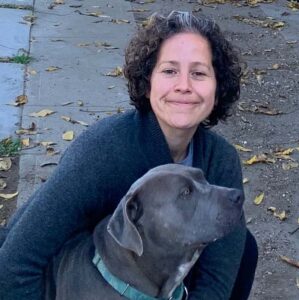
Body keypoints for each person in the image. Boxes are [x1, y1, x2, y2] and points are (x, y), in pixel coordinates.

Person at [0, 11, 257, 300]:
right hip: (60, 283)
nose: (184, 85)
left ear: (217, 87)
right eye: (170, 71)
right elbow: (15, 263)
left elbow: (216, 281)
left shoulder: (219, 158)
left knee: (242, 247)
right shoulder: (103, 151)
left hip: (145, 274)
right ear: (148, 83)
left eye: (198, 73)